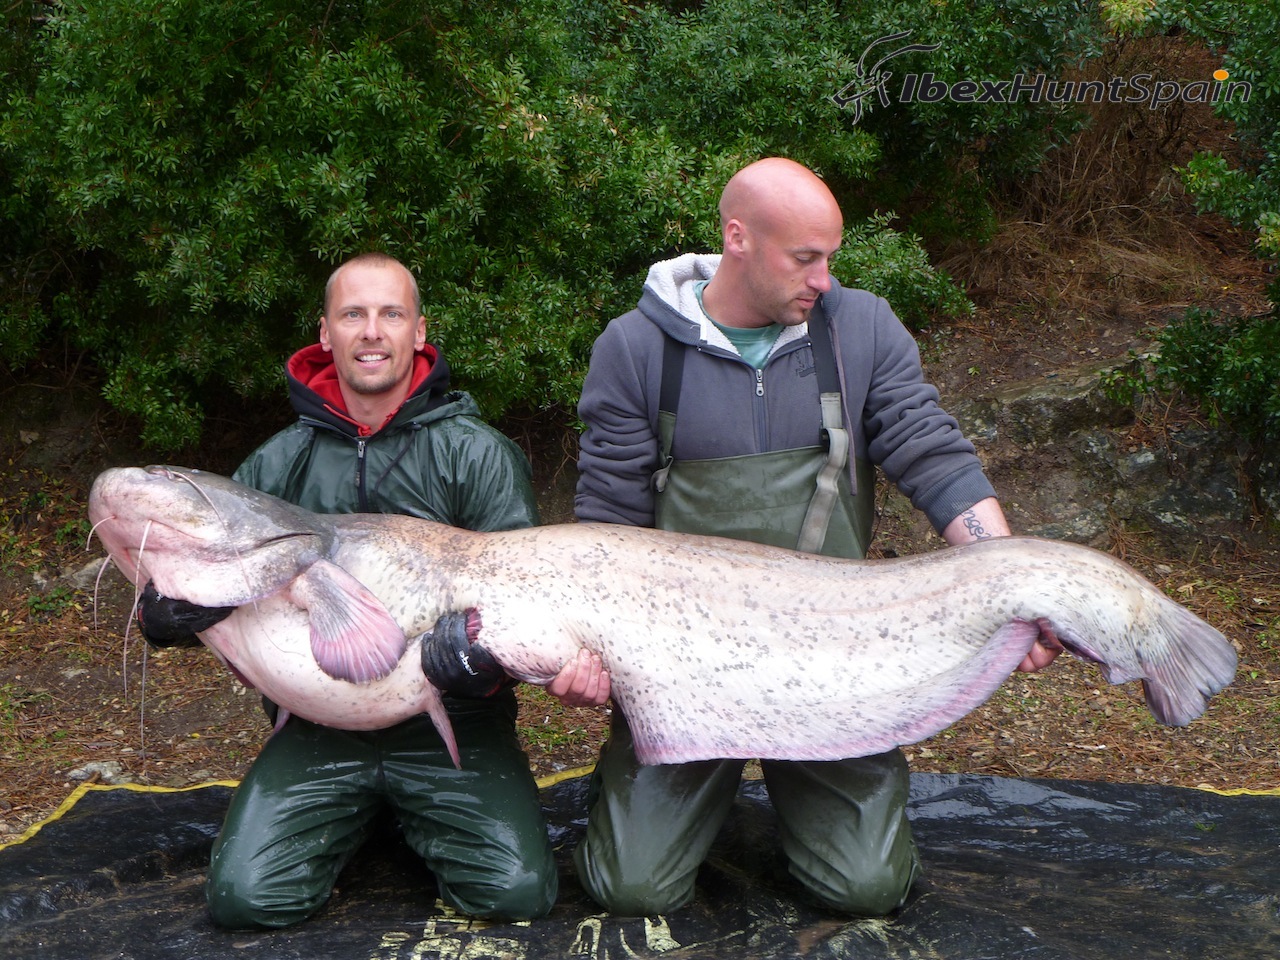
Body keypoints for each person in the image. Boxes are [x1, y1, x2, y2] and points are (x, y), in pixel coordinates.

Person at [572, 157, 1060, 918]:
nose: (824, 278)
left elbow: (930, 452)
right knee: (631, 889)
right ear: (739, 239)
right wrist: (586, 651)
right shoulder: (636, 350)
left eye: (830, 256)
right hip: (686, 668)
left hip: (834, 662)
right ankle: (682, 799)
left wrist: (1006, 576)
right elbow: (605, 530)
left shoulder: (858, 330)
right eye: (806, 258)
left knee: (865, 889)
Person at [137, 252, 608, 928]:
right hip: (315, 726)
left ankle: (408, 811)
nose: (371, 331)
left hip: (453, 727)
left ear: (420, 332)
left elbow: (524, 596)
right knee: (246, 900)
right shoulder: (274, 463)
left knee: (516, 893)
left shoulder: (477, 453)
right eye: (353, 314)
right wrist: (168, 610)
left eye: (391, 314)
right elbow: (215, 578)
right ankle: (365, 811)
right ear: (325, 333)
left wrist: (475, 666)